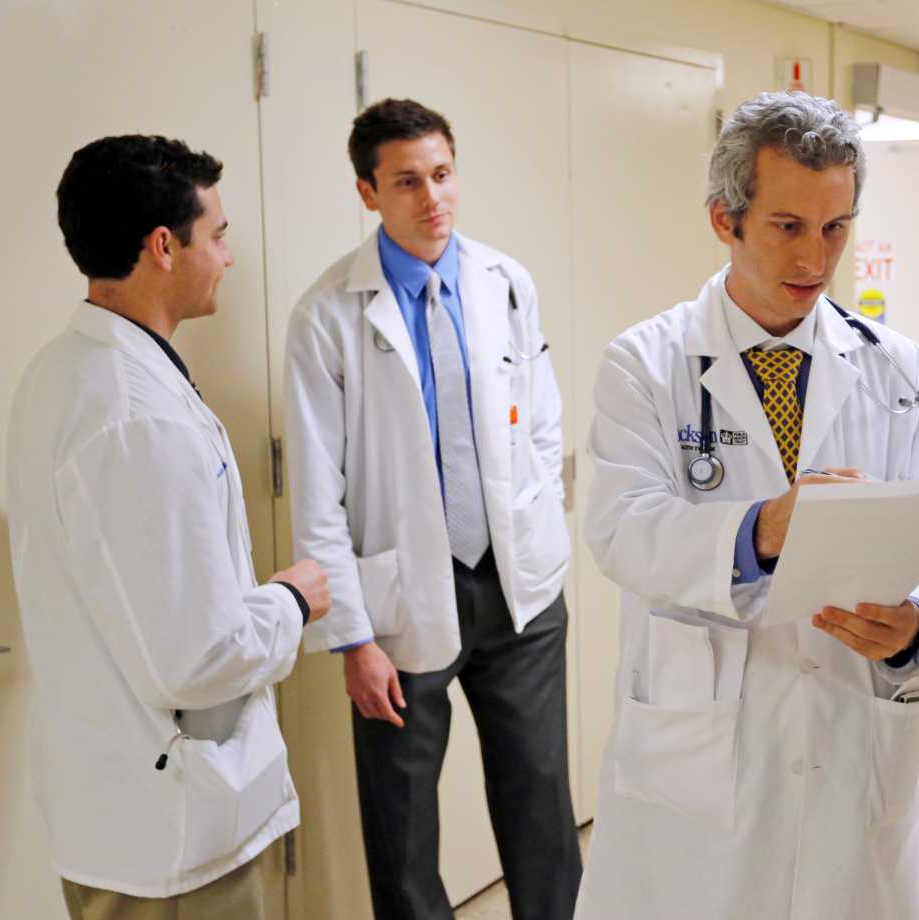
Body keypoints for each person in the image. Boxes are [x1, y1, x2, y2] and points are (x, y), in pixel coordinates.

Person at [573, 91, 919, 920]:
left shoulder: (898, 369)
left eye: (836, 227)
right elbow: (621, 531)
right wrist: (763, 526)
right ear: (724, 220)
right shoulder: (646, 364)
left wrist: (916, 625)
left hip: (851, 728)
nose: (816, 257)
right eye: (787, 226)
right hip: (699, 750)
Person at [7, 134, 331, 918]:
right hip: (174, 839)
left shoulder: (65, 372)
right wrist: (293, 600)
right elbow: (196, 658)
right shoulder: (135, 417)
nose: (227, 256)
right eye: (216, 235)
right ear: (163, 246)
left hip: (125, 810)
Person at [285, 98, 579, 919]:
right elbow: (317, 496)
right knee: (403, 823)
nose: (432, 198)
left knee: (542, 804)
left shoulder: (504, 282)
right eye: (407, 181)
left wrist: (538, 530)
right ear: (367, 191)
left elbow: (543, 422)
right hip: (399, 603)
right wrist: (351, 638)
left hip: (517, 591)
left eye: (443, 175)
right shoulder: (327, 316)